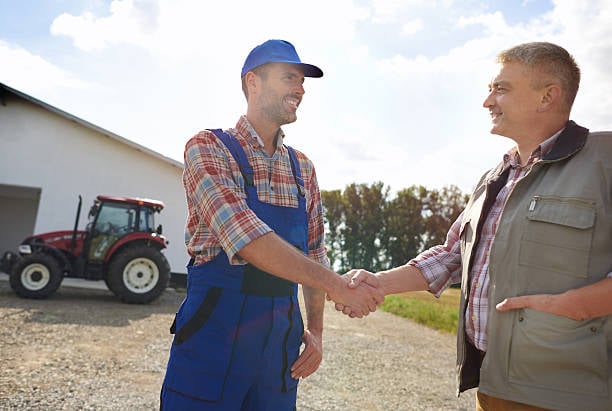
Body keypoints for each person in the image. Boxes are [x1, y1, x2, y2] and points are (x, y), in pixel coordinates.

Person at [340, 42, 612, 411]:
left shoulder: (604, 160)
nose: (487, 101)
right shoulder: (493, 178)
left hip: (569, 392)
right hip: (493, 384)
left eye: (500, 88)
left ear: (548, 96)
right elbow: (453, 256)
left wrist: (573, 305)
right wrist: (376, 283)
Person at [160, 39, 382, 410]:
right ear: (253, 82)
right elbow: (246, 237)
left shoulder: (302, 168)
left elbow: (315, 254)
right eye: (289, 78)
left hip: (280, 338)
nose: (300, 89)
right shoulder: (208, 148)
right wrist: (339, 287)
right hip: (214, 328)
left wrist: (316, 330)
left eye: (302, 82)